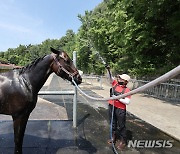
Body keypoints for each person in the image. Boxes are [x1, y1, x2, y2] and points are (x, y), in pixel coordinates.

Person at [106, 65, 131, 150]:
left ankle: (123, 141)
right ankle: (113, 138)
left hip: (120, 109)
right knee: (112, 123)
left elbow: (127, 102)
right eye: (119, 78)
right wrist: (108, 70)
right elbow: (110, 78)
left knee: (121, 125)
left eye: (121, 79)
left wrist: (118, 98)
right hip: (112, 106)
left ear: (125, 81)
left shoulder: (127, 90)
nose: (119, 79)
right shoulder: (115, 84)